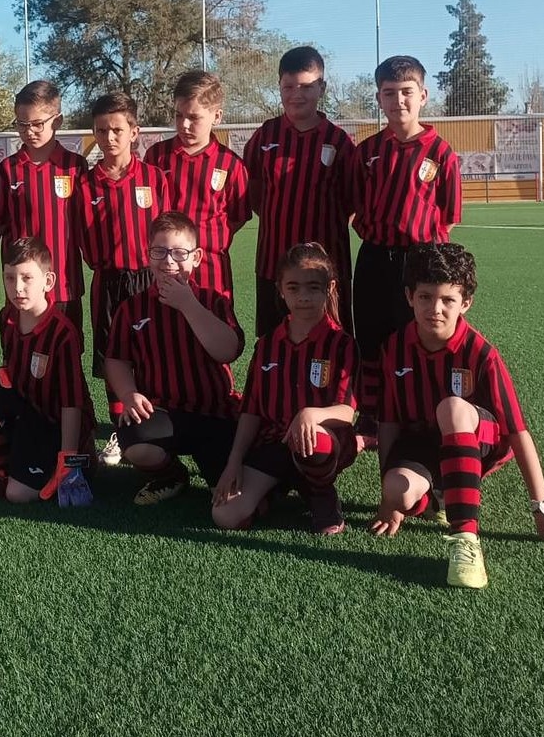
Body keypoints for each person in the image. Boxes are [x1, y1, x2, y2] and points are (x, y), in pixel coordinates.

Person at [369, 243, 544, 589]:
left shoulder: (481, 353)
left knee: (451, 407)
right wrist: (387, 499)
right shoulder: (394, 347)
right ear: (409, 297)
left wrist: (541, 505)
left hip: (477, 440)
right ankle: (439, 492)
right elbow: (389, 422)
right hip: (424, 444)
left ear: (465, 303)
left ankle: (465, 541)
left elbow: (517, 432)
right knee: (398, 490)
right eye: (425, 297)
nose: (434, 309)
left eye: (447, 300)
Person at [212, 243, 358, 535]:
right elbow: (252, 410)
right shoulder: (267, 344)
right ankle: (275, 489)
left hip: (324, 443)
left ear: (329, 288)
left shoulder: (341, 344)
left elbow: (348, 412)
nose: (303, 297)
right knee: (224, 516)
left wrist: (311, 414)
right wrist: (234, 463)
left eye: (313, 288)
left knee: (312, 438)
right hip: (274, 443)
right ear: (279, 289)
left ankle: (320, 494)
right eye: (293, 288)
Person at [106, 211, 244, 506]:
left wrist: (188, 305)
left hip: (215, 414)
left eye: (179, 253)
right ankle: (172, 474)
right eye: (160, 251)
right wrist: (128, 394)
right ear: (148, 255)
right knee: (136, 442)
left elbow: (228, 350)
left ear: (196, 257)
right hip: (164, 412)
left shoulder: (213, 300)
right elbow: (116, 360)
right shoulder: (132, 308)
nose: (169, 261)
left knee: (233, 502)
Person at [74, 92, 172, 467]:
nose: (109, 138)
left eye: (117, 130)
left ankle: (156, 424)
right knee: (110, 354)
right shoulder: (87, 184)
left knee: (153, 353)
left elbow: (165, 227)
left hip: (149, 279)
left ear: (134, 132)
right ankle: (118, 429)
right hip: (109, 280)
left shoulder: (153, 178)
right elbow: (83, 234)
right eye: (101, 130)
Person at [0, 237, 97, 505]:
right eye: (10, 278)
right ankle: (3, 471)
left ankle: (82, 458)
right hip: (28, 413)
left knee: (18, 495)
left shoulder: (62, 332)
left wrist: (67, 457)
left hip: (56, 423)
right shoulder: (6, 317)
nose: (17, 287)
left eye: (27, 278)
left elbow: (72, 402)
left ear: (48, 281)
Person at [350, 55, 462, 369]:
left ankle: (420, 410)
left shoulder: (441, 152)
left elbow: (449, 216)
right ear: (379, 98)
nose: (398, 99)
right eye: (389, 92)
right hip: (374, 258)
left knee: (420, 336)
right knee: (372, 338)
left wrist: (420, 248)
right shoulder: (367, 151)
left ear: (422, 96)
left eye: (406, 91)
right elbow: (355, 206)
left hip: (421, 259)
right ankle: (373, 414)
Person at [242, 46, 355, 341]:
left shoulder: (339, 141)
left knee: (331, 344)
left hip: (327, 268)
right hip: (273, 264)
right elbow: (254, 192)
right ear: (279, 87)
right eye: (288, 86)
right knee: (273, 342)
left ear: (322, 87)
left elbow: (351, 201)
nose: (297, 94)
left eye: (306, 86)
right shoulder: (265, 136)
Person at [0, 80, 88, 337]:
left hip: (64, 285)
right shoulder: (8, 169)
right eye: (22, 124)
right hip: (21, 289)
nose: (29, 131)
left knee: (65, 360)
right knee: (18, 362)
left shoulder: (75, 166)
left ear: (57, 121)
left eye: (37, 124)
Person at [143, 70, 251, 299]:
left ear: (217, 116)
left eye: (194, 117)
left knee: (214, 330)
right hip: (166, 266)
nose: (184, 124)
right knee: (166, 331)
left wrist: (208, 238)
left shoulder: (231, 164)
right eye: (178, 115)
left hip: (212, 272)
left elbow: (237, 216)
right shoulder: (157, 157)